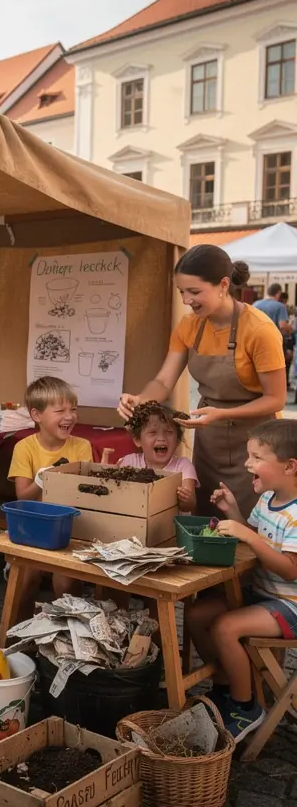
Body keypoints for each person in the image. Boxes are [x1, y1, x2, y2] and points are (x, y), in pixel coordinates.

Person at [118, 245, 286, 519]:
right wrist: (139, 400)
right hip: (209, 441)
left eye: (194, 292)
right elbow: (162, 382)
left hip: (258, 444)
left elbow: (276, 399)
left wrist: (222, 414)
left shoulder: (260, 330)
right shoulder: (189, 326)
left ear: (223, 285)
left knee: (252, 524)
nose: (186, 300)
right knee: (207, 515)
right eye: (182, 292)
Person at [185, 419, 297, 741]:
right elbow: (254, 539)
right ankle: (225, 683)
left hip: (290, 606)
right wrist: (233, 511)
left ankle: (245, 706)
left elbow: (289, 569)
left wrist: (245, 532)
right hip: (262, 596)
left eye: (257, 457)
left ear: (289, 466)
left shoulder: (295, 512)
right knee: (196, 615)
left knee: (225, 627)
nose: (248, 463)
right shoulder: (267, 500)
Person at [8, 377, 93, 614]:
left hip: (70, 528)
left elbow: (85, 492)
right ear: (37, 415)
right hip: (32, 528)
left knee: (66, 583)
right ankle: (16, 633)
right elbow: (22, 498)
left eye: (73, 409)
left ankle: (67, 636)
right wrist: (40, 481)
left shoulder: (82, 446)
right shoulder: (24, 447)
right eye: (60, 410)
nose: (70, 416)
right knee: (26, 579)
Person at [118, 401, 198, 513]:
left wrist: (186, 499)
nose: (161, 438)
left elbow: (190, 506)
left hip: (170, 527)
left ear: (178, 440)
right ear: (137, 440)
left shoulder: (183, 466)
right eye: (153, 432)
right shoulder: (129, 462)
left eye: (169, 432)